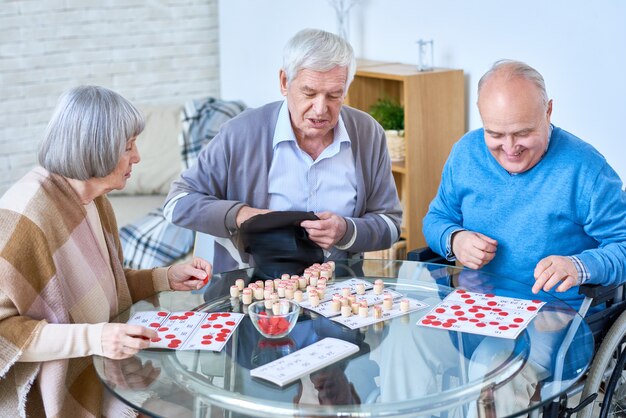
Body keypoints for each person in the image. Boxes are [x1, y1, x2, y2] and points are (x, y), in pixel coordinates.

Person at [423, 59, 626, 415]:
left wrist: (580, 266)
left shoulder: (585, 170)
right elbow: (436, 218)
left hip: (552, 318)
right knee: (406, 342)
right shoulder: (466, 153)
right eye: (495, 135)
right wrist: (454, 239)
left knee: (494, 368)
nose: (509, 148)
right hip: (473, 308)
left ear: (548, 111)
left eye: (522, 133)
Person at [0, 85, 213, 417]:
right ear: (95, 149)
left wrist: (164, 278)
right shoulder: (24, 221)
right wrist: (95, 338)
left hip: (106, 367)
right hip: (58, 390)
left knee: (196, 400)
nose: (138, 157)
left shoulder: (93, 198)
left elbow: (105, 285)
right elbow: (3, 336)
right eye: (128, 147)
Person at [164, 28, 402, 274]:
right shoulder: (240, 133)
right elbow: (176, 203)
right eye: (309, 93)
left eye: (334, 95)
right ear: (285, 82)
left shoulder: (368, 133)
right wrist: (240, 215)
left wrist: (346, 230)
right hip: (252, 289)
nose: (320, 109)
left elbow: (391, 225)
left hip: (339, 293)